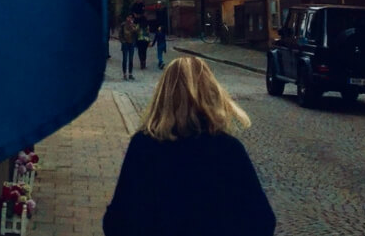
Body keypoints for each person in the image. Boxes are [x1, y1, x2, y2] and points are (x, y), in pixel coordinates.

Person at [103, 56, 276, 236]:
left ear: (163, 96)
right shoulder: (229, 149)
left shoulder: (143, 146)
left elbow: (118, 222)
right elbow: (262, 220)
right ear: (212, 93)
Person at [119, 13, 139, 81]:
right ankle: (124, 74)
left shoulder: (133, 25)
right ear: (126, 18)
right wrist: (123, 41)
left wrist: (132, 26)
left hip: (131, 44)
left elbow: (136, 33)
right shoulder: (123, 25)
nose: (130, 19)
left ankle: (130, 74)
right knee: (125, 59)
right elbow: (120, 34)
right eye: (129, 17)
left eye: (131, 18)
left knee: (131, 59)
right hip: (125, 44)